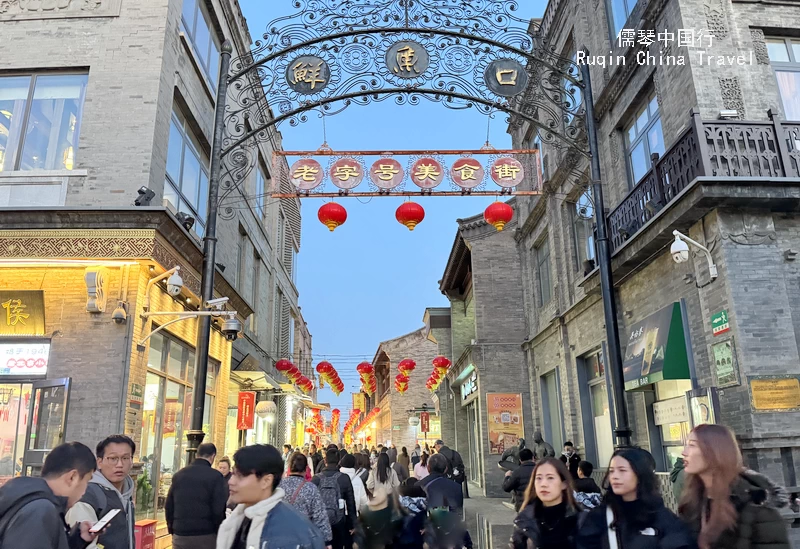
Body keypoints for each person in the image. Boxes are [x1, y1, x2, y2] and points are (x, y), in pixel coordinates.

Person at [678, 424, 790, 549]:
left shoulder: (755, 503)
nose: (684, 452)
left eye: (692, 445)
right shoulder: (691, 502)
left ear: (715, 452)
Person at [576, 447, 696, 549]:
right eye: (612, 471)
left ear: (640, 474)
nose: (615, 476)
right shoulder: (599, 517)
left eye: (622, 470)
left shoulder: (662, 517)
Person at [216, 444, 324, 549]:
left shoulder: (292, 536)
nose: (231, 481)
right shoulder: (238, 519)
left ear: (266, 480)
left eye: (240, 476)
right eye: (233, 474)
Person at [0, 441, 101, 549]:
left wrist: (78, 539)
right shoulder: (41, 509)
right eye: (87, 481)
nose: (85, 491)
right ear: (72, 477)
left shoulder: (26, 497)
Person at [66, 434, 136, 549]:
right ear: (99, 462)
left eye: (125, 458)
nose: (120, 465)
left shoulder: (126, 494)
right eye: (113, 458)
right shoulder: (87, 495)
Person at [510, 457, 584, 549]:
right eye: (539, 478)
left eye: (550, 478)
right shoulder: (524, 521)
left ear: (564, 484)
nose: (543, 484)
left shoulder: (582, 520)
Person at [165, 443, 228, 549]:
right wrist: (219, 531)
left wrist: (172, 529)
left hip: (180, 534)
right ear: (213, 456)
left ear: (197, 454)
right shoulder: (216, 476)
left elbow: (169, 505)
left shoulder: (179, 475)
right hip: (205, 534)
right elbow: (218, 509)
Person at [279, 452, 333, 547]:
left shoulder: (279, 486)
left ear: (289, 467)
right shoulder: (310, 488)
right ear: (306, 469)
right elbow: (320, 517)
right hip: (304, 539)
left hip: (281, 536)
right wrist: (326, 541)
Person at [313, 448, 357, 549]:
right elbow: (351, 504)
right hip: (339, 521)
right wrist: (353, 524)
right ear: (339, 461)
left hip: (320, 522)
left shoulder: (316, 478)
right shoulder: (344, 478)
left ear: (325, 461)